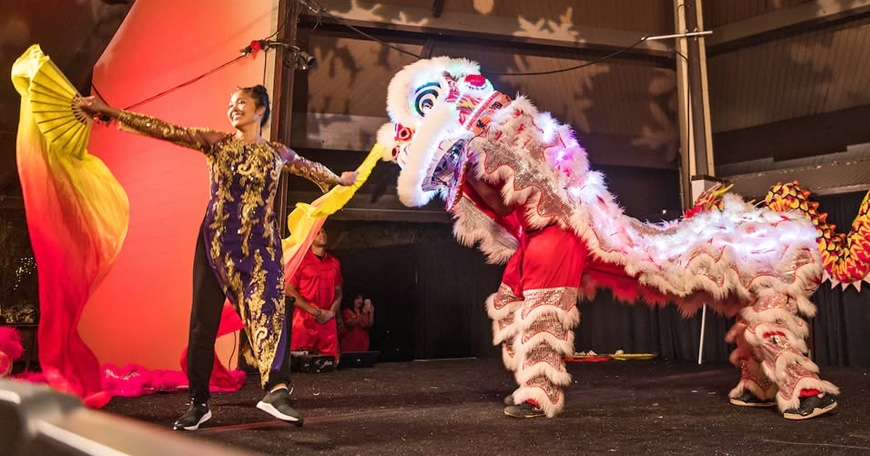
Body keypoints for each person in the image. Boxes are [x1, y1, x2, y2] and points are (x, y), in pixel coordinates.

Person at [73, 85, 358, 431]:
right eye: (230, 104)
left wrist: (339, 179)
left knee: (272, 309)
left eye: (242, 103)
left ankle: (277, 391)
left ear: (260, 111)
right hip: (216, 244)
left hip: (260, 247)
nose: (233, 108)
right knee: (201, 326)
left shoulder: (277, 153)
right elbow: (165, 129)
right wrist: (110, 112)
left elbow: (311, 168)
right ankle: (198, 403)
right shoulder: (216, 142)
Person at [285, 228, 343, 363]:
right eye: (318, 232)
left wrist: (332, 312)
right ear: (310, 237)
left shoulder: (334, 262)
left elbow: (339, 292)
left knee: (329, 365)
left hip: (327, 320)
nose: (322, 234)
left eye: (324, 231)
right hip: (304, 319)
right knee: (300, 364)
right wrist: (313, 311)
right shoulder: (300, 260)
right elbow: (289, 290)